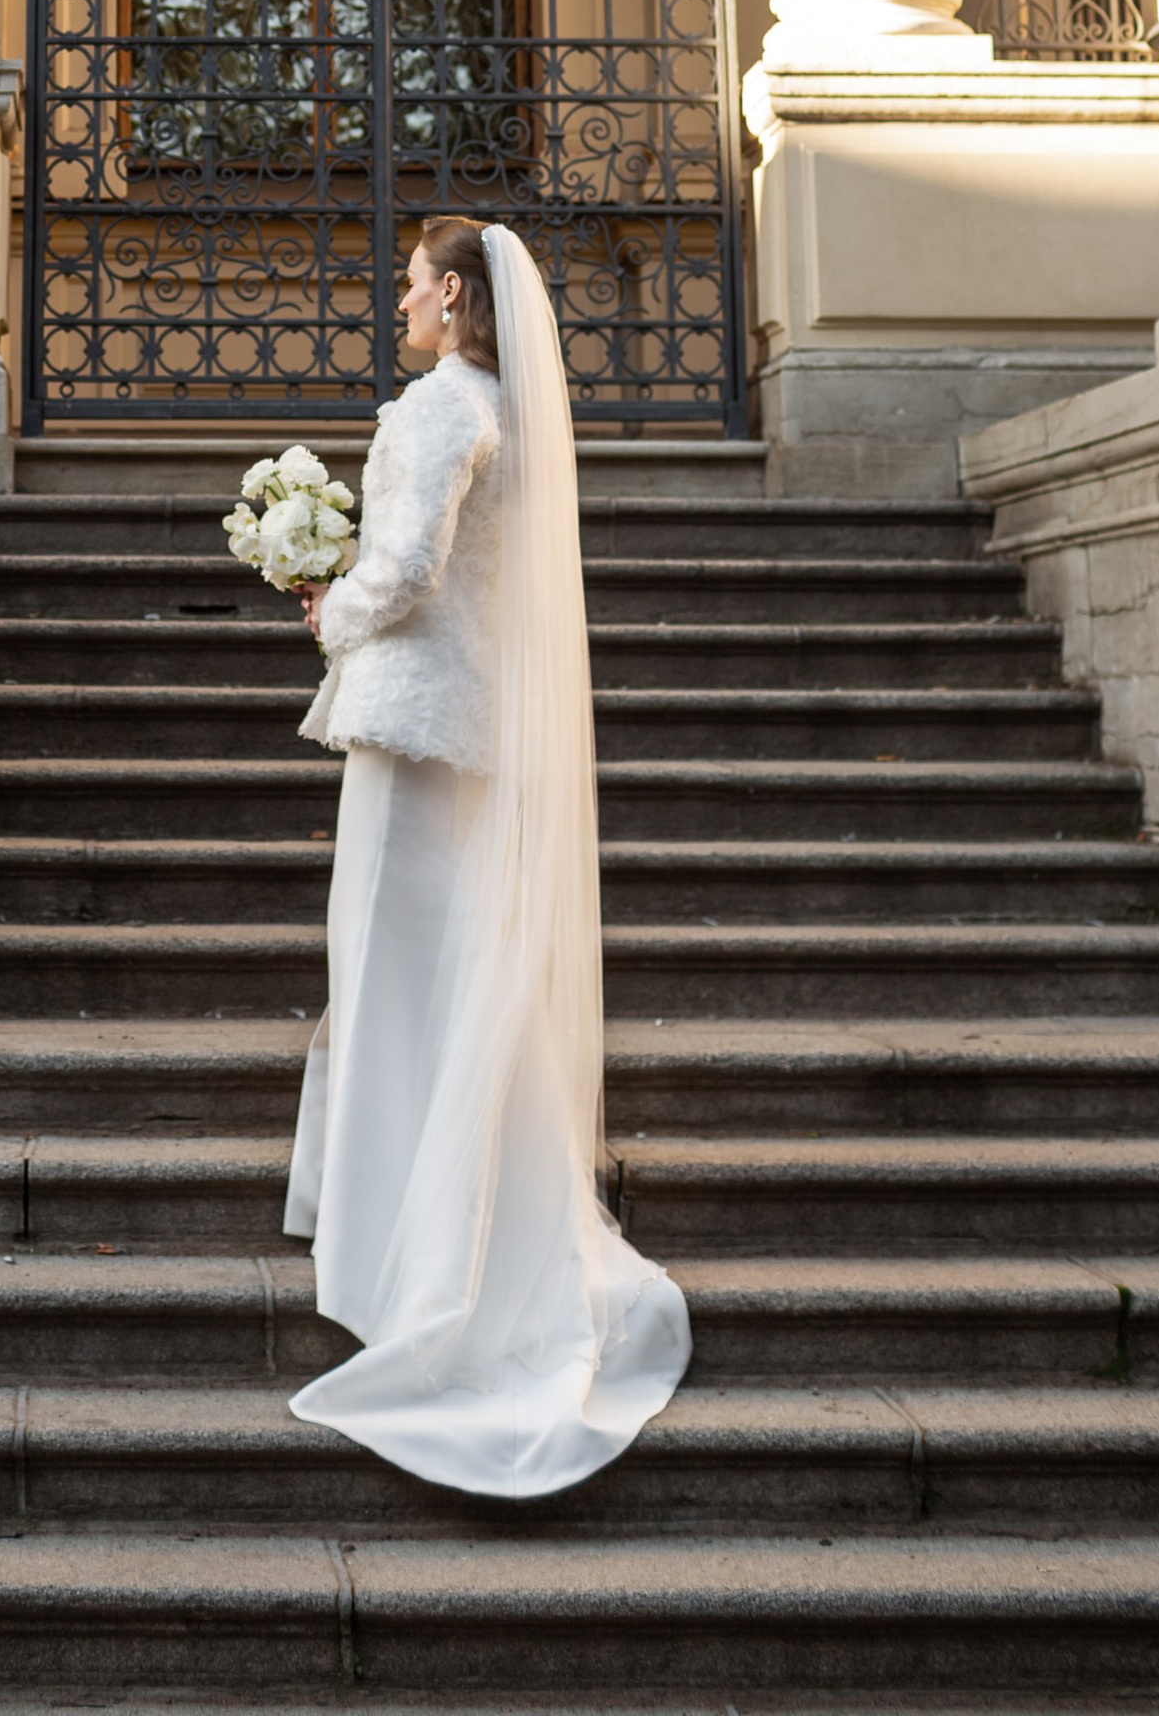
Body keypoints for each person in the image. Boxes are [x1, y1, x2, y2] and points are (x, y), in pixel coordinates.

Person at [283, 213, 690, 1492]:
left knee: (391, 973)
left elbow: (405, 572)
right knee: (434, 973)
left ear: (453, 294)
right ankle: (440, 1219)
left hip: (409, 728)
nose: (398, 303)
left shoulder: (437, 408)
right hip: (471, 726)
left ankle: (397, 1247)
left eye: (410, 285)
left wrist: (325, 608)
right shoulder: (503, 415)